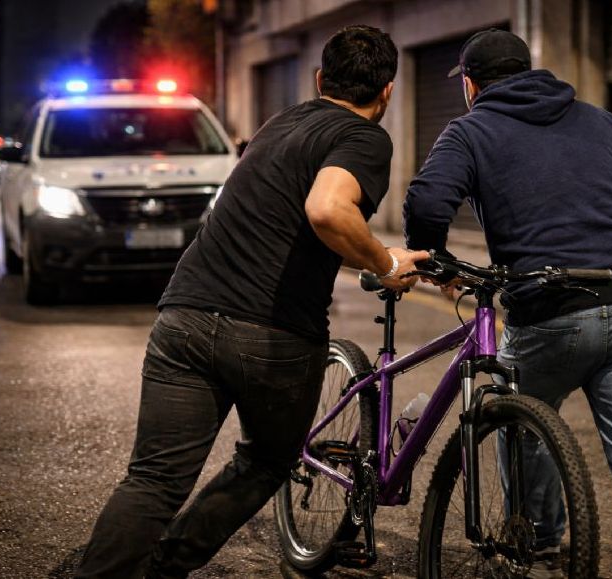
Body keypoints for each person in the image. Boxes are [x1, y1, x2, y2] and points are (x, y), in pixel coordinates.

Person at [75, 25, 428, 579]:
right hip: (271, 333)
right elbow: (329, 210)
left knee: (153, 480)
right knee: (266, 460)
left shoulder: (280, 123)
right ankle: (167, 568)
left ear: (319, 80)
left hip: (185, 315)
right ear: (387, 91)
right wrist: (384, 264)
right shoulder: (364, 137)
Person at [403, 28, 612, 579]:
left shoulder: (470, 129)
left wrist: (436, 261)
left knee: (522, 426)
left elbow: (428, 201)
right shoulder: (599, 119)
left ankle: (540, 548)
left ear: (470, 84)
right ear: (531, 71)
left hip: (550, 304)